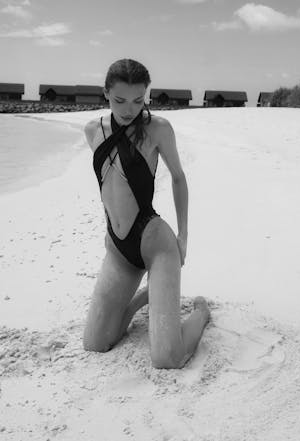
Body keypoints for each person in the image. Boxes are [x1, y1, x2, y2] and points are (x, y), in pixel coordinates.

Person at [82, 58, 210, 369]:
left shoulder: (158, 130)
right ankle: (145, 296)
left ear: (146, 96)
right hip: (118, 247)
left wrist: (183, 237)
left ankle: (202, 314)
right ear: (106, 94)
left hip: (155, 244)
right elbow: (109, 187)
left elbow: (179, 178)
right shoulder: (92, 131)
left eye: (139, 101)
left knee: (168, 358)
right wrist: (110, 229)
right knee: (95, 343)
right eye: (119, 100)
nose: (129, 110)